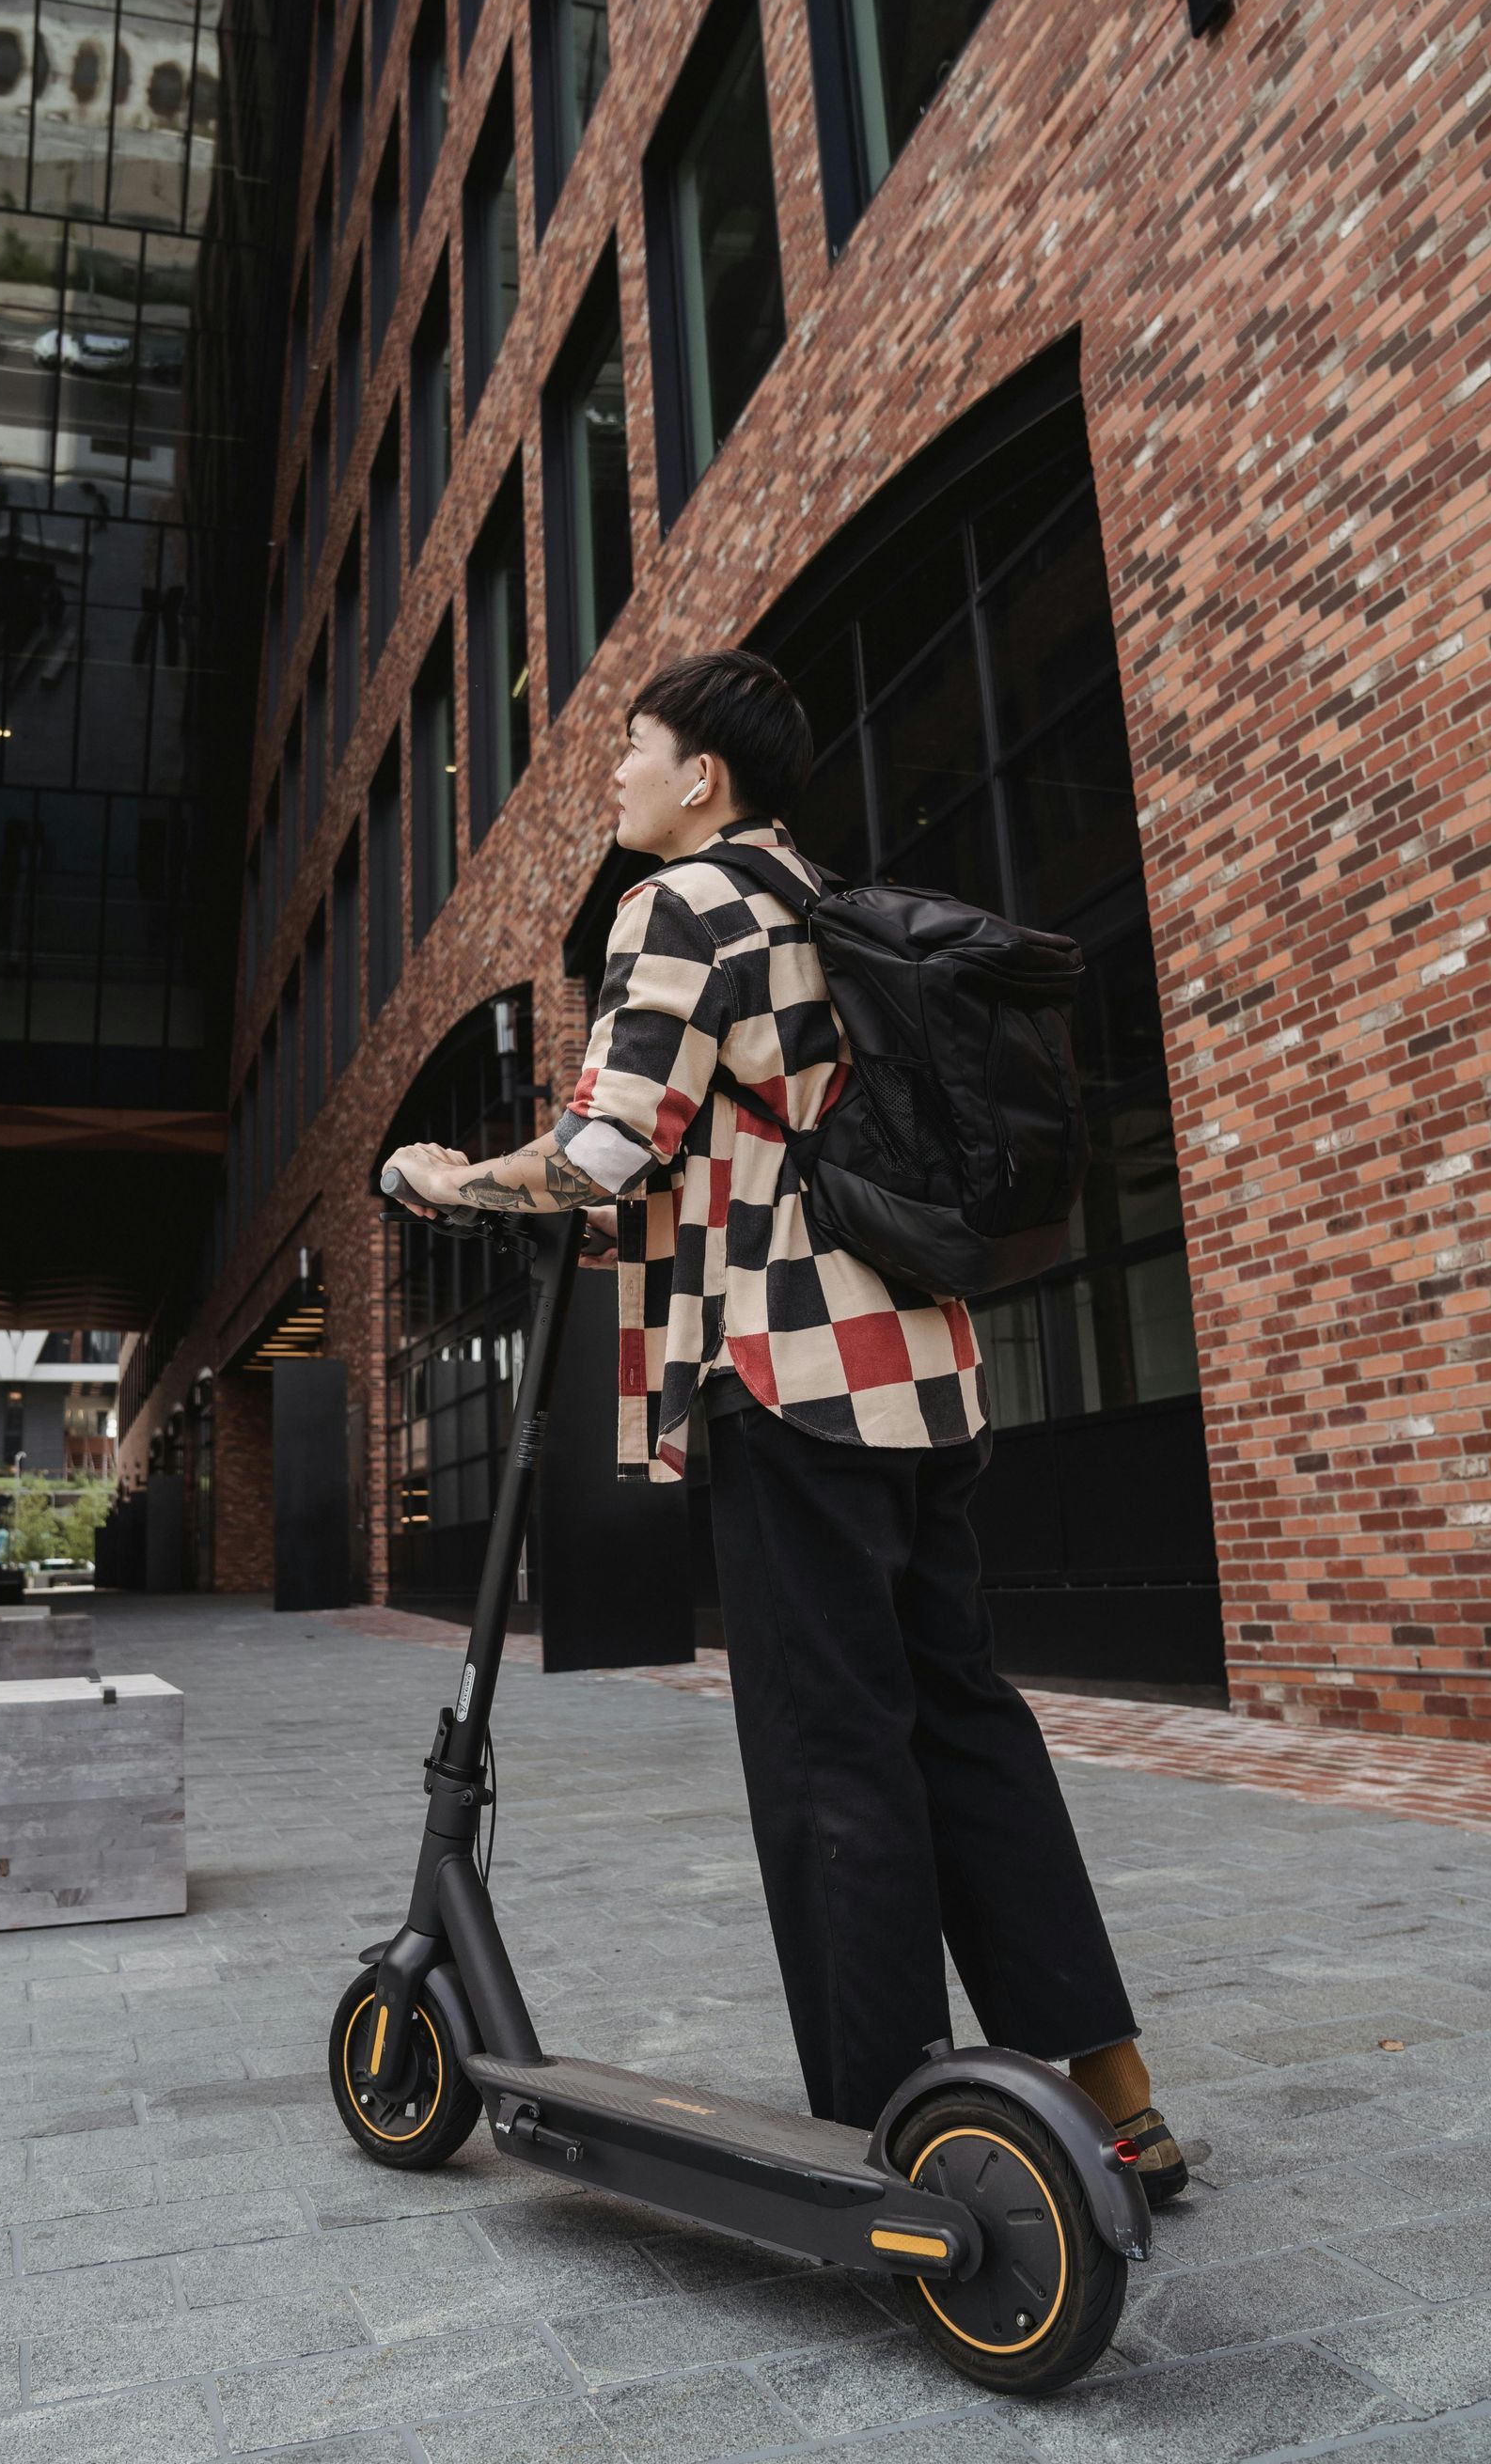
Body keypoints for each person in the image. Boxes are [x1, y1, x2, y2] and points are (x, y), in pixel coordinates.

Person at [382, 648, 1186, 2200]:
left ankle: (892, 2134)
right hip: (924, 1376)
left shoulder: (677, 903)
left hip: (786, 1378)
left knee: (833, 1751)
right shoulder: (818, 903)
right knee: (965, 1718)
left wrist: (445, 1180)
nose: (614, 774)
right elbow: (737, 1160)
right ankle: (1115, 2096)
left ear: (703, 779)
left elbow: (611, 1148)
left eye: (634, 747)